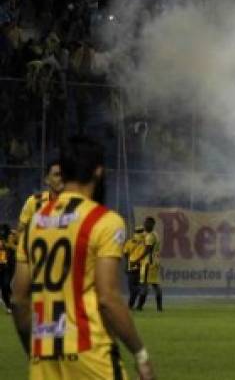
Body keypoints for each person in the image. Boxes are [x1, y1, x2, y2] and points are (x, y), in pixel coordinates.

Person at [10, 136, 156, 380]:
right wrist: (140, 353)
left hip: (44, 356)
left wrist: (34, 350)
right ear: (99, 172)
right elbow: (108, 298)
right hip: (91, 353)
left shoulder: (36, 222)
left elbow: (18, 299)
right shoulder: (105, 221)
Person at [16, 161, 63, 236]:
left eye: (64, 175)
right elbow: (20, 233)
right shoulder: (34, 201)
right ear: (47, 180)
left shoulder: (75, 203)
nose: (61, 178)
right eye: (57, 175)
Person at [135, 217, 163, 312]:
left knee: (144, 284)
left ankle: (139, 307)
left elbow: (147, 250)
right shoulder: (155, 234)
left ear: (152, 224)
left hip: (148, 262)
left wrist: (137, 260)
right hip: (155, 261)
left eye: (147, 223)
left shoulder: (150, 236)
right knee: (155, 284)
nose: (145, 225)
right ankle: (159, 308)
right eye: (144, 223)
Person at [124, 226, 145, 309]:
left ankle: (130, 305)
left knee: (132, 287)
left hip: (131, 266)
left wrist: (128, 262)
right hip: (141, 267)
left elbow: (125, 253)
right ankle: (130, 306)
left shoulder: (130, 241)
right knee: (135, 287)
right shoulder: (145, 241)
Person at [0, 224, 12, 313]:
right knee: (5, 287)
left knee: (6, 286)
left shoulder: (5, 229)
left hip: (4, 267)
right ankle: (9, 305)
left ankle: (9, 305)